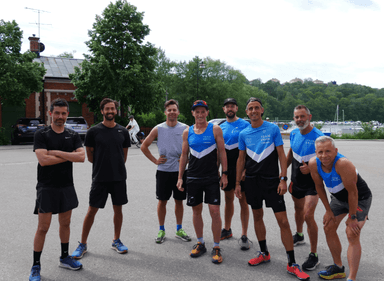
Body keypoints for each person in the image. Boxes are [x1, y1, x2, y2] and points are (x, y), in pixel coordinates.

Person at [235, 97, 310, 280]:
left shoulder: (272, 129)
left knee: (283, 221)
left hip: (271, 182)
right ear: (247, 112)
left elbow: (281, 155)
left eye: (256, 108)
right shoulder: (243, 134)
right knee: (257, 216)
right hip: (251, 182)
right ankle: (264, 253)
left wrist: (283, 179)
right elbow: (241, 159)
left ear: (262, 110)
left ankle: (292, 263)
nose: (253, 111)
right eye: (250, 108)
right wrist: (237, 183)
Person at [29, 98, 85, 281]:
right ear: (50, 113)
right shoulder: (42, 134)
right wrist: (70, 156)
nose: (60, 116)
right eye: (57, 113)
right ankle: (36, 266)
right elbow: (43, 161)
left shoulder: (72, 134)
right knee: (43, 228)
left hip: (66, 185)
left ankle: (64, 257)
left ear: (67, 114)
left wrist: (57, 153)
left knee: (65, 224)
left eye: (63, 113)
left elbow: (82, 157)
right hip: (46, 187)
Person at [72, 98, 131, 260]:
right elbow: (90, 155)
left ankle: (116, 240)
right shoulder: (93, 132)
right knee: (91, 211)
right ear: (102, 111)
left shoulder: (123, 132)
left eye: (113, 108)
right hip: (100, 178)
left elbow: (123, 155)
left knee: (118, 210)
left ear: (116, 111)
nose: (110, 111)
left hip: (119, 178)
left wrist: (115, 166)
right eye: (107, 109)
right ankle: (82, 244)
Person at [308, 136, 372, 281]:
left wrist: (352, 217)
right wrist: (328, 211)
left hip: (359, 199)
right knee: (328, 227)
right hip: (338, 199)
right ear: (316, 153)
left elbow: (353, 192)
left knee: (351, 232)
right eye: (320, 152)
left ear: (336, 151)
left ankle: (352, 278)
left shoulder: (343, 164)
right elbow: (319, 187)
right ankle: (338, 268)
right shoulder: (313, 163)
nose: (324, 156)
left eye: (328, 151)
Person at [177, 100, 228, 264]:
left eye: (202, 111)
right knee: (196, 211)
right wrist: (180, 177)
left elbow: (222, 152)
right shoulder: (187, 132)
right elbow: (184, 155)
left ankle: (216, 246)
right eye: (196, 111)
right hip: (192, 177)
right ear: (192, 113)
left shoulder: (215, 129)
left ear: (207, 113)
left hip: (211, 177)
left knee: (215, 212)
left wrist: (224, 174)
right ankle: (200, 242)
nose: (200, 114)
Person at [140, 99, 191, 244]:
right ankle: (161, 229)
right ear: (165, 112)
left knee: (179, 201)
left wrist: (187, 159)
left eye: (174, 110)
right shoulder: (158, 128)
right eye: (169, 110)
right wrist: (155, 160)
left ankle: (179, 229)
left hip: (180, 172)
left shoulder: (185, 128)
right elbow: (144, 146)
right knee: (162, 201)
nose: (172, 112)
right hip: (163, 171)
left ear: (178, 112)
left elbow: (194, 146)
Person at [286, 105, 324, 271]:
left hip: (313, 184)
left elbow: (328, 161)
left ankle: (314, 255)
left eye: (302, 116)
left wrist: (311, 168)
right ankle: (299, 235)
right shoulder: (293, 133)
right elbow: (290, 153)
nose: (299, 119)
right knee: (298, 209)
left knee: (308, 215)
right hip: (296, 180)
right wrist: (282, 174)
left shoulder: (319, 137)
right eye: (297, 117)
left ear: (309, 116)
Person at [219, 98, 251, 250]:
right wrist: (219, 172)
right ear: (224, 110)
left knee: (243, 200)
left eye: (232, 106)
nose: (230, 108)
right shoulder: (220, 127)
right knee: (228, 199)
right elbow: (219, 152)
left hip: (242, 169)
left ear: (237, 108)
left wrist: (246, 169)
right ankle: (227, 229)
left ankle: (244, 234)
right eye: (227, 106)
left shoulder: (246, 125)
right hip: (227, 170)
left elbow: (250, 149)